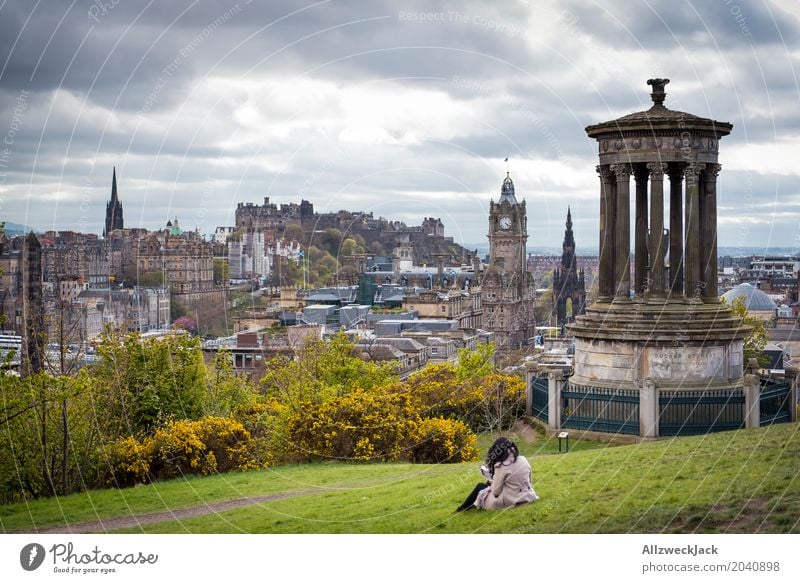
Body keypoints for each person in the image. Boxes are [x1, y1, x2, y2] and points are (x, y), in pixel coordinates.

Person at [456, 437, 538, 511]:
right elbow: (529, 481)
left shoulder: (501, 465)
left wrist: (491, 480)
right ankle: (469, 506)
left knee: (480, 486)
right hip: (528, 496)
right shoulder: (523, 459)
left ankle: (462, 509)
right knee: (486, 485)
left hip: (513, 499)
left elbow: (496, 492)